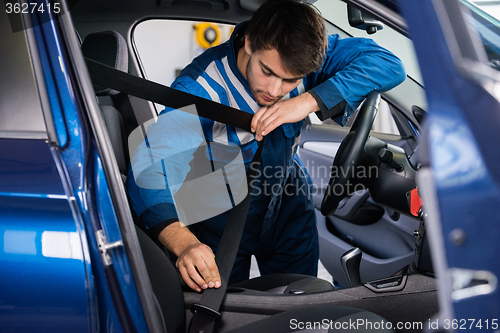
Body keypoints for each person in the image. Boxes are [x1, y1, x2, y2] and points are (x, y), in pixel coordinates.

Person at [126, 0, 406, 293]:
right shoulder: (200, 90)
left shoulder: (305, 59)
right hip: (221, 218)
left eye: (291, 80)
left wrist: (305, 101)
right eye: (267, 72)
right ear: (249, 42)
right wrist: (185, 244)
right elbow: (149, 171)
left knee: (302, 299)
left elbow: (389, 64)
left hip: (287, 201)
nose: (274, 91)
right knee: (225, 309)